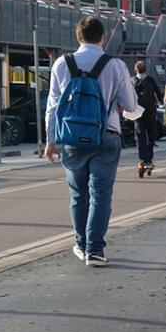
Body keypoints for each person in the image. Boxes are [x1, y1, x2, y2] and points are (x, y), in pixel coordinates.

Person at [44, 15, 142, 267]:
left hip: (71, 139)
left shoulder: (61, 64)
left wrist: (50, 140)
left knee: (78, 195)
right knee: (100, 193)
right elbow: (130, 105)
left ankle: (81, 244)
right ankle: (95, 250)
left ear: (78, 36)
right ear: (103, 38)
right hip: (106, 135)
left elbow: (53, 106)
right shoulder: (116, 65)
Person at [131, 61, 162, 178]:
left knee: (140, 135)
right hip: (150, 110)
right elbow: (158, 94)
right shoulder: (150, 80)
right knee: (150, 135)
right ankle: (149, 159)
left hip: (137, 111)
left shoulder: (132, 80)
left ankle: (142, 159)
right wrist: (159, 101)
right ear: (146, 69)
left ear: (136, 70)